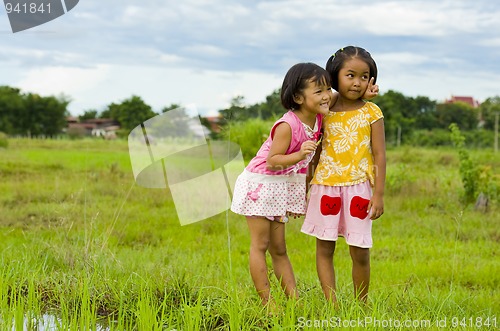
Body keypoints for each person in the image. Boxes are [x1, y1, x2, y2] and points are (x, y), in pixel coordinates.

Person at [231, 62, 332, 308]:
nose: (327, 95)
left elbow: (343, 93)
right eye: (318, 91)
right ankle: (268, 304)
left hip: (281, 186)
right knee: (260, 244)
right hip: (261, 185)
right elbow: (273, 161)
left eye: (327, 89)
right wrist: (298, 156)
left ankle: (294, 301)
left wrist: (367, 90)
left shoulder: (318, 117)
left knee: (280, 248)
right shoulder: (287, 125)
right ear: (298, 97)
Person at [301, 46, 386, 304]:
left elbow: (380, 155)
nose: (357, 82)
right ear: (335, 76)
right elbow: (313, 154)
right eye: (350, 75)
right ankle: (332, 304)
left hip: (359, 189)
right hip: (325, 187)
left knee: (360, 251)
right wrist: (304, 187)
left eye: (364, 76)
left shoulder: (372, 112)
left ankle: (361, 304)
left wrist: (379, 195)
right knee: (324, 247)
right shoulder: (324, 110)